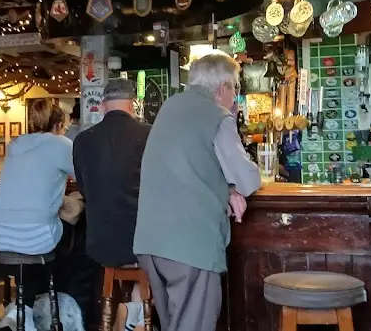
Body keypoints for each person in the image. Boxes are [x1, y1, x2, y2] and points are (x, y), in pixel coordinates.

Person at [134, 53, 262, 331]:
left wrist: (226, 187)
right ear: (222, 88)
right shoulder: (217, 115)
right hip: (189, 245)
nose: (235, 96)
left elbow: (188, 164)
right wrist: (233, 185)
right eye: (235, 88)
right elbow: (248, 179)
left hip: (150, 243)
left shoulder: (170, 106)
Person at [72, 79, 152, 331]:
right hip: (142, 243)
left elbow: (84, 190)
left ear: (103, 105)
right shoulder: (151, 134)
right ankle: (138, 309)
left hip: (100, 245)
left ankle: (133, 309)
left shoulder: (83, 141)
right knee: (173, 259)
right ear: (133, 104)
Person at [0, 99, 74, 303]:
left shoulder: (15, 144)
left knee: (33, 240)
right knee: (72, 235)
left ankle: (23, 309)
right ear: (59, 125)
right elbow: (85, 174)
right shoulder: (61, 143)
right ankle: (53, 305)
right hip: (34, 239)